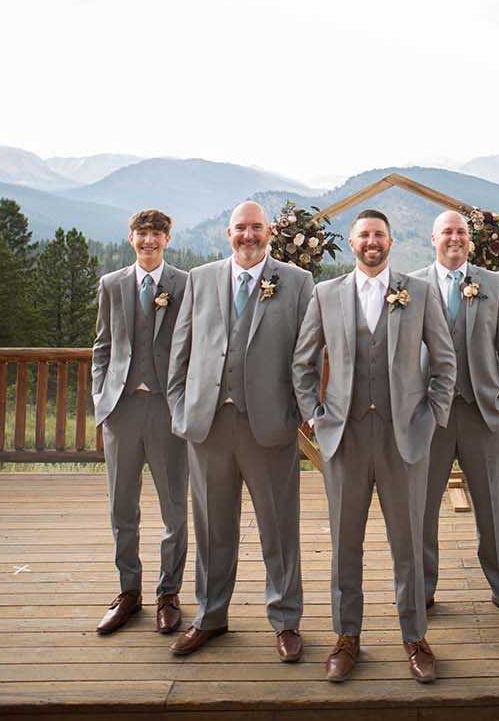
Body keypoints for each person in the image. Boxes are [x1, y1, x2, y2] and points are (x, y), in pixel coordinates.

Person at [294, 210, 457, 682]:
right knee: (347, 543)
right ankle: (347, 638)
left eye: (379, 235)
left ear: (391, 241)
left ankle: (415, 637)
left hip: (404, 437)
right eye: (363, 235)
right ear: (351, 242)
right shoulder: (326, 294)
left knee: (407, 542)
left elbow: (444, 362)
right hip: (343, 438)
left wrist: (429, 419)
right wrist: (315, 415)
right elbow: (303, 363)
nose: (371, 242)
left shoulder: (419, 291)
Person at [166, 200, 315, 662]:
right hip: (208, 426)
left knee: (279, 527)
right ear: (226, 233)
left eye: (256, 228)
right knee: (212, 528)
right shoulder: (201, 278)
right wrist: (180, 409)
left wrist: (298, 413)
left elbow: (306, 356)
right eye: (239, 228)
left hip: (269, 426)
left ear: (269, 231)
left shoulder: (296, 281)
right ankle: (210, 615)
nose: (248, 236)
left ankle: (287, 620)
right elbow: (182, 349)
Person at [412, 209, 499, 623]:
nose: (455, 238)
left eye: (461, 232)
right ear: (433, 238)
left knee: (493, 507)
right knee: (421, 509)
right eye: (447, 232)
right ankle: (422, 592)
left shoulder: (494, 284)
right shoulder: (411, 286)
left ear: (470, 239)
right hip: (431, 417)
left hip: (484, 414)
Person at [89, 208, 191, 637]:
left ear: (167, 239)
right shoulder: (111, 285)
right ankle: (128, 591)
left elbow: (197, 345)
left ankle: (169, 594)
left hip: (168, 412)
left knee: (174, 510)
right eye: (142, 233)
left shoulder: (186, 284)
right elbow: (102, 346)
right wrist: (102, 400)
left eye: (157, 234)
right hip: (123, 411)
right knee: (121, 507)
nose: (149, 241)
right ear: (130, 238)